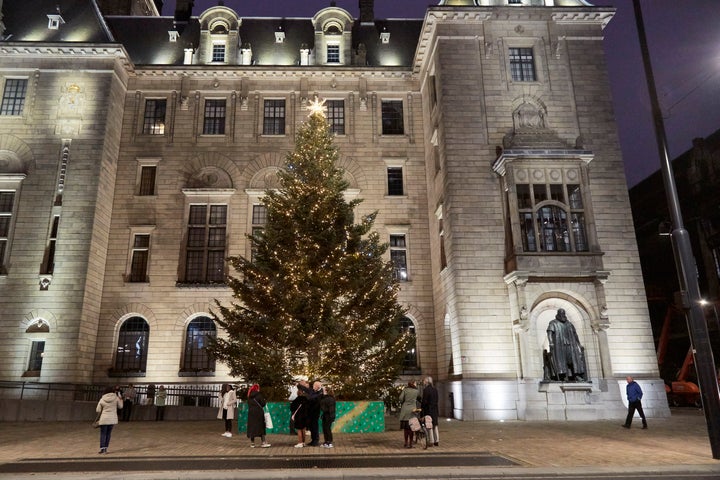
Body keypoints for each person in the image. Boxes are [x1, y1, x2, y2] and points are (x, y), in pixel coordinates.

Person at [546, 308, 587, 381]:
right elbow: (549, 333)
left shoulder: (569, 324)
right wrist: (551, 342)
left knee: (573, 359)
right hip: (559, 346)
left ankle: (576, 375)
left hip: (571, 345)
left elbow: (575, 335)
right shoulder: (553, 323)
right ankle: (563, 376)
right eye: (561, 313)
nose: (562, 315)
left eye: (563, 313)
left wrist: (579, 344)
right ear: (558, 314)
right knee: (561, 360)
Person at [96, 385, 123, 454]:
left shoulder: (102, 399)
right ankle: (106, 448)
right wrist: (121, 399)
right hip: (112, 418)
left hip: (104, 418)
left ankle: (102, 449)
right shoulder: (116, 398)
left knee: (103, 434)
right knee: (108, 434)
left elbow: (98, 410)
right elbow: (120, 406)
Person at [297, 380, 322, 446]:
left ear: (317, 386)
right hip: (309, 413)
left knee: (315, 427)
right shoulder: (312, 391)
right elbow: (304, 388)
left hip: (315, 413)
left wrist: (307, 396)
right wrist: (301, 384)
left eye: (314, 385)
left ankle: (316, 440)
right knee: (311, 427)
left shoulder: (320, 393)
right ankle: (313, 440)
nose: (312, 386)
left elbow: (312, 398)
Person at [398, 380, 419, 448]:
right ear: (413, 384)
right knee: (411, 428)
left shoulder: (405, 390)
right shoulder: (416, 391)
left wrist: (404, 401)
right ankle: (410, 443)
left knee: (406, 429)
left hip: (405, 410)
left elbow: (400, 398)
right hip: (412, 410)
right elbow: (419, 398)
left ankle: (405, 442)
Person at [421, 376, 439, 447]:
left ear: (427, 381)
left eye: (424, 381)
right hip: (435, 409)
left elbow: (424, 401)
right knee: (435, 425)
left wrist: (422, 408)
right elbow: (437, 400)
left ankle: (431, 441)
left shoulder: (426, 390)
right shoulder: (435, 389)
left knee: (429, 425)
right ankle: (437, 440)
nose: (423, 382)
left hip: (428, 409)